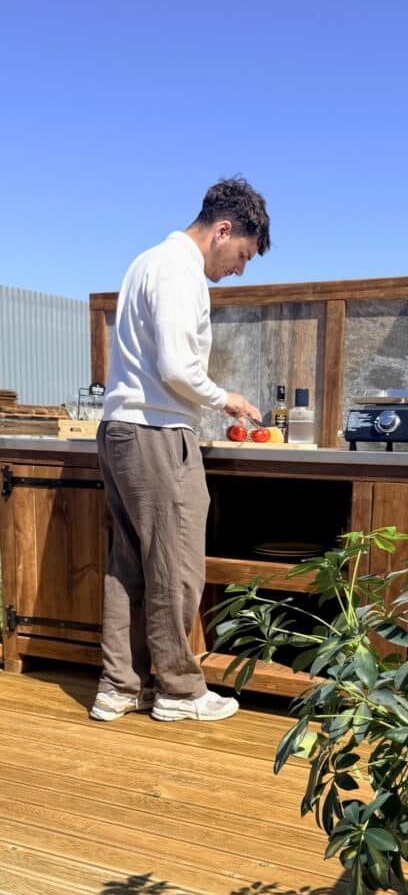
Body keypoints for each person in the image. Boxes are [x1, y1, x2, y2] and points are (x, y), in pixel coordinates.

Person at [90, 177, 271, 723]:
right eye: (241, 255)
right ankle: (178, 692)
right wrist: (226, 399)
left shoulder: (145, 262)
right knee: (176, 566)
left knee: (130, 565)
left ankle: (118, 686)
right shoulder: (181, 271)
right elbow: (175, 368)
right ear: (222, 231)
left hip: (122, 429)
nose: (238, 269)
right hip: (158, 434)